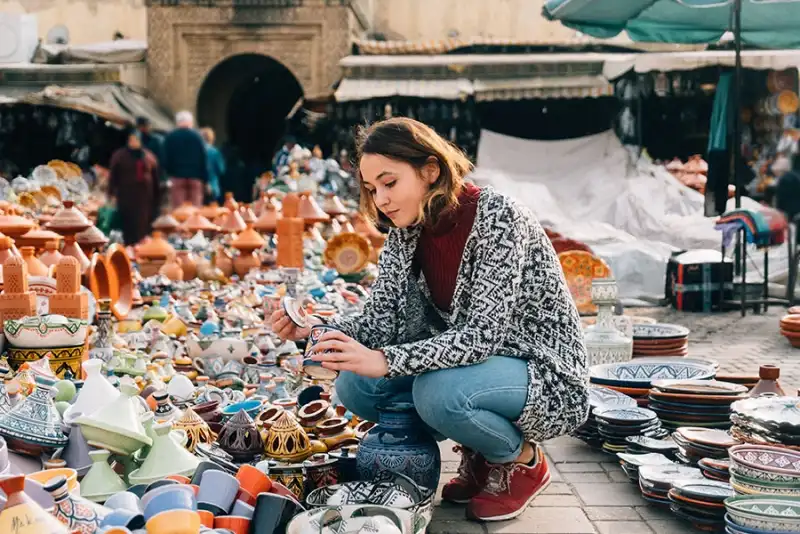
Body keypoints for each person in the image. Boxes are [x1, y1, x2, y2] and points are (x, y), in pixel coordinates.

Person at [271, 118, 589, 523]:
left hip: (543, 371)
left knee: (437, 393)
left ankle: (522, 462)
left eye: (389, 183)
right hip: (474, 370)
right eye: (371, 189)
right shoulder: (407, 230)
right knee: (356, 383)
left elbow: (482, 336)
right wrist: (312, 329)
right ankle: (477, 450)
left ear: (430, 171)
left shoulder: (500, 217)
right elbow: (378, 323)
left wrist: (386, 361)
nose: (381, 199)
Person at [108, 129, 160, 245]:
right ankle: (129, 247)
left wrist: (157, 198)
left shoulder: (148, 157)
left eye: (136, 140)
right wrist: (111, 193)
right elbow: (113, 176)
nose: (134, 142)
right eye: (131, 140)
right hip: (126, 195)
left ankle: (140, 247)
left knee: (142, 223)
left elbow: (155, 177)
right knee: (127, 222)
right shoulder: (120, 156)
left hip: (144, 198)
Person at [162, 111, 208, 208]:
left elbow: (165, 159)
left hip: (177, 177)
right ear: (191, 122)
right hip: (195, 177)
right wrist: (205, 179)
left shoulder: (170, 137)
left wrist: (168, 174)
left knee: (179, 211)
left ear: (177, 122)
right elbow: (203, 159)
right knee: (195, 212)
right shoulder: (198, 137)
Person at [200, 127, 225, 203]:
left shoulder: (196, 151)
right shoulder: (214, 152)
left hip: (198, 187)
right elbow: (221, 170)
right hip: (213, 186)